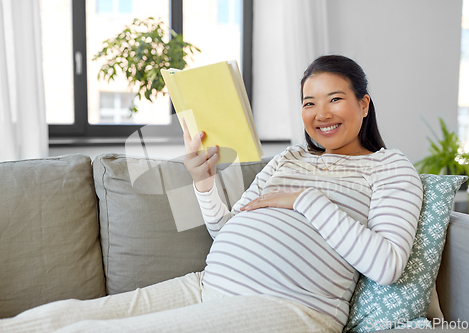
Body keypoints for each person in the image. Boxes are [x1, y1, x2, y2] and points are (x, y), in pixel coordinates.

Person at [0, 55, 423, 333]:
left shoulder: (389, 167)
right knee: (59, 317)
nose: (321, 114)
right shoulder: (288, 159)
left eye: (335, 99)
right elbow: (227, 228)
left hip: (291, 308)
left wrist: (304, 200)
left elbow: (385, 265)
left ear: (364, 104)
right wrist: (203, 182)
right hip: (208, 284)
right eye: (309, 103)